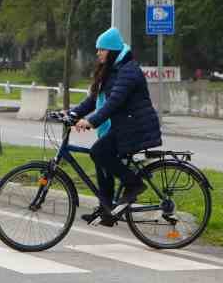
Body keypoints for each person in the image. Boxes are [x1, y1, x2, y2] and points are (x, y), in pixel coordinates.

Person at [69, 27, 162, 225]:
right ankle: (106, 209)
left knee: (98, 152)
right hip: (125, 125)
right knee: (101, 160)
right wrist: (73, 113)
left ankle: (134, 184)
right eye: (98, 49)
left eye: (102, 49)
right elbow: (95, 99)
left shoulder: (128, 71)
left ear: (112, 51)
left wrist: (91, 121)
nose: (98, 53)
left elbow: (114, 102)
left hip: (137, 127)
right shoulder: (112, 70)